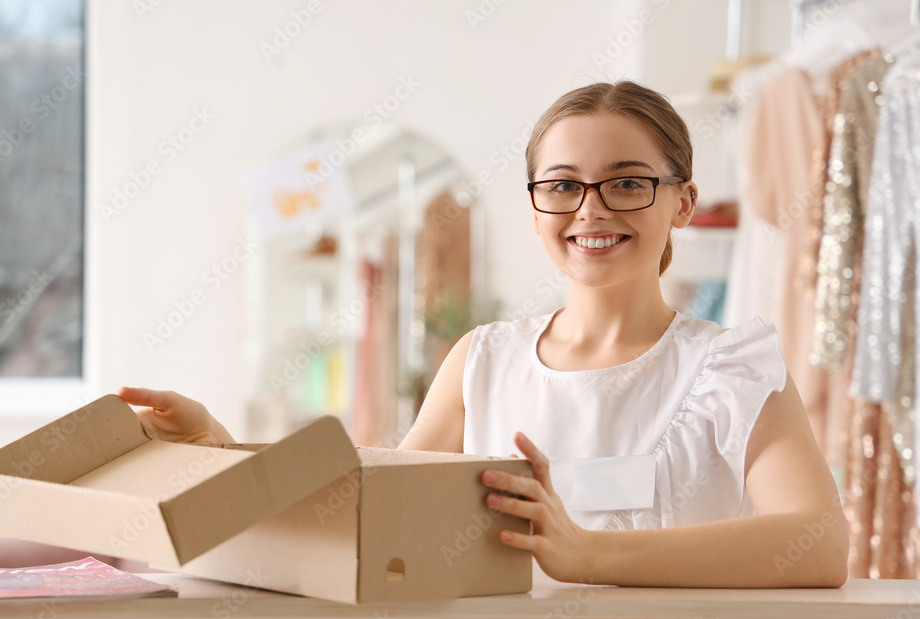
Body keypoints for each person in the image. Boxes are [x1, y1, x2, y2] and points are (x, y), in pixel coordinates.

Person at [119, 80, 849, 589]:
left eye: (627, 182)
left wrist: (589, 554)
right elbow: (366, 506)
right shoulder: (482, 361)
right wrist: (219, 451)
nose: (590, 210)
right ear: (535, 209)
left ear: (683, 202)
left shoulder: (732, 367)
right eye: (562, 185)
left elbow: (819, 543)